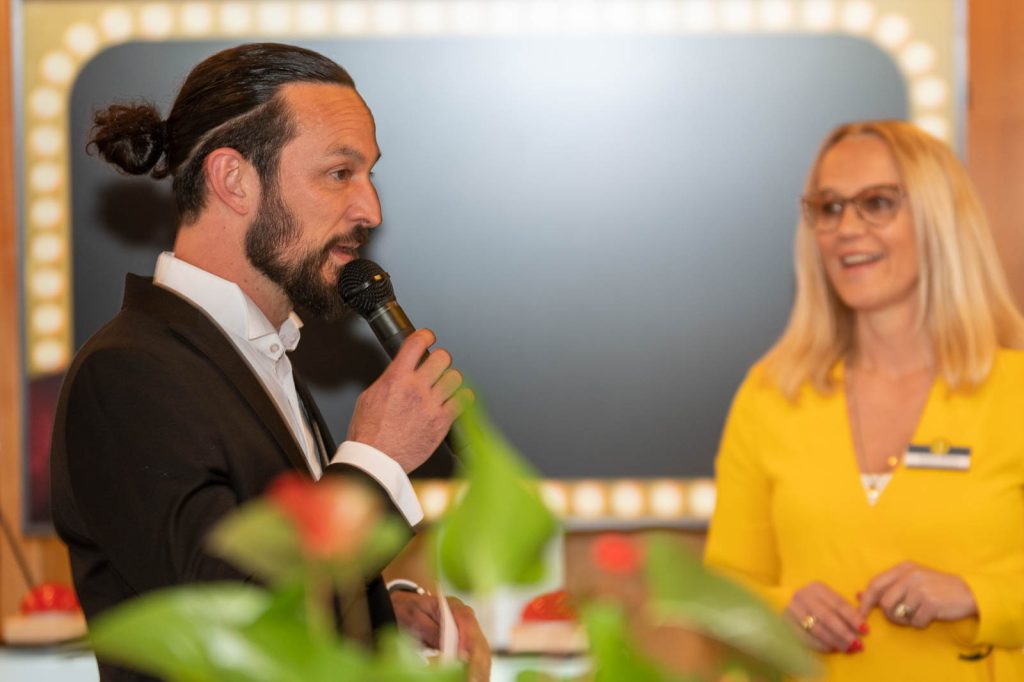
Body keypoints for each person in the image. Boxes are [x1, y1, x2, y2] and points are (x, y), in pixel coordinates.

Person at [49, 43, 489, 681]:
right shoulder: (125, 374)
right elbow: (229, 627)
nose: (371, 210)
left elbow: (262, 580)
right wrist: (378, 456)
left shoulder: (255, 351)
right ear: (234, 180)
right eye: (339, 173)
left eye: (368, 174)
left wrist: (380, 617)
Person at [704, 120, 1024, 680]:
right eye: (829, 208)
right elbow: (720, 592)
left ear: (939, 220)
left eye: (877, 203)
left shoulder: (1013, 392)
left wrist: (976, 595)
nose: (846, 228)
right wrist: (779, 608)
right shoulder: (771, 393)